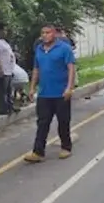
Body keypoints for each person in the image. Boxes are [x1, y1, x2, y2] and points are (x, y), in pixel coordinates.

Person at [24, 25, 76, 163]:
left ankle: (66, 147)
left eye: (48, 33)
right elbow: (36, 69)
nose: (45, 35)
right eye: (43, 33)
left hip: (60, 93)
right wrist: (32, 87)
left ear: (54, 34)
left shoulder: (64, 48)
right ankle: (38, 152)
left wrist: (69, 87)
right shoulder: (39, 50)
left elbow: (71, 68)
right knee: (42, 122)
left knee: (63, 121)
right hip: (44, 93)